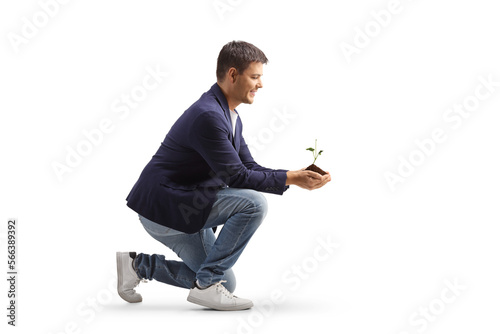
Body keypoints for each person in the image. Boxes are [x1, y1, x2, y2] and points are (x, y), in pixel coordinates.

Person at [116, 40, 331, 311]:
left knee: (224, 283)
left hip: (186, 205)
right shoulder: (208, 115)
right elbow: (238, 177)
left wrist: (294, 175)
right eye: (255, 77)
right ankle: (206, 287)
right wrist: (290, 178)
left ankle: (137, 266)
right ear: (232, 75)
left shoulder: (230, 115)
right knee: (253, 203)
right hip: (165, 208)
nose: (260, 84)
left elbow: (248, 167)